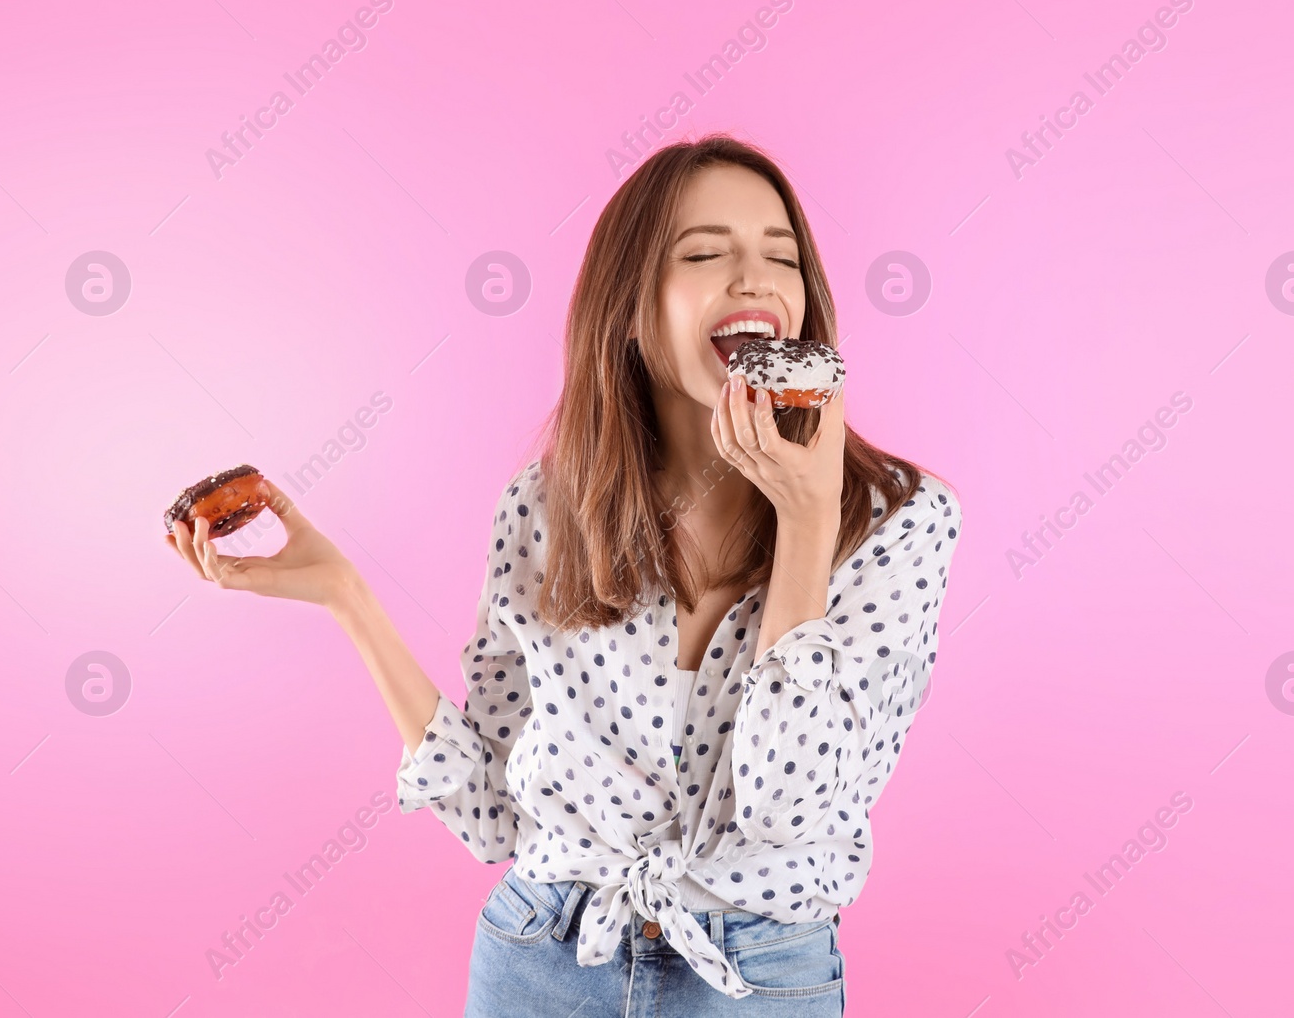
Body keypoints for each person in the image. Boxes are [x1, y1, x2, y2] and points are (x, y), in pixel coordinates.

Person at [165, 133, 962, 1016]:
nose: (754, 279)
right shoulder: (545, 508)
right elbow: (498, 816)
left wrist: (806, 521)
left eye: (782, 257)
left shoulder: (898, 521)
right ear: (628, 308)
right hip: (544, 958)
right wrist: (346, 596)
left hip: (759, 975)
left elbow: (791, 805)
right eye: (703, 253)